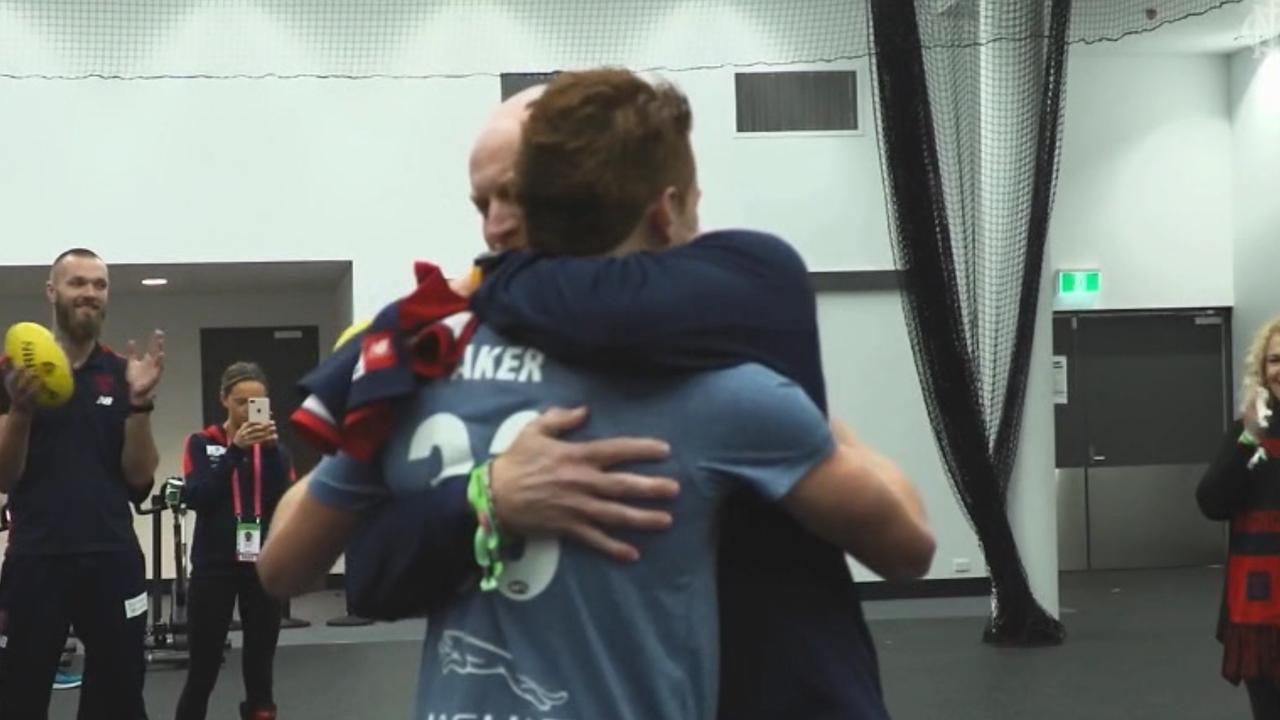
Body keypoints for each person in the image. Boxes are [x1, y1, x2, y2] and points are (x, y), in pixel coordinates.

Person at [261, 69, 933, 720]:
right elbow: (907, 545)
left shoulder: (426, 346)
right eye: (481, 204)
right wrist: (486, 497)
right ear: (664, 210)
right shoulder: (731, 378)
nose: (495, 227)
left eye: (512, 197)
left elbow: (295, 564)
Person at [0, 247, 163, 719]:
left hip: (112, 557)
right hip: (36, 559)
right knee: (18, 698)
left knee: (118, 699)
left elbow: (139, 477)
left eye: (99, 284)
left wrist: (139, 406)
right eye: (77, 283)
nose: (89, 293)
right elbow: (5, 476)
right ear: (52, 292)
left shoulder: (121, 373)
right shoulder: (11, 374)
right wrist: (22, 411)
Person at [174, 362, 294, 720]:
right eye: (241, 402)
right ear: (224, 399)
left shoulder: (276, 451)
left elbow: (285, 499)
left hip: (262, 567)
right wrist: (234, 453)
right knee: (204, 668)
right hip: (214, 568)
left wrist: (270, 452)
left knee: (260, 669)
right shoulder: (201, 443)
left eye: (257, 403)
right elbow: (197, 496)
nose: (248, 410)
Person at [1198, 315, 1280, 719]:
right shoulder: (1247, 434)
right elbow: (1212, 502)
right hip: (1261, 611)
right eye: (1275, 360)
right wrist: (1249, 437)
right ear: (1263, 370)